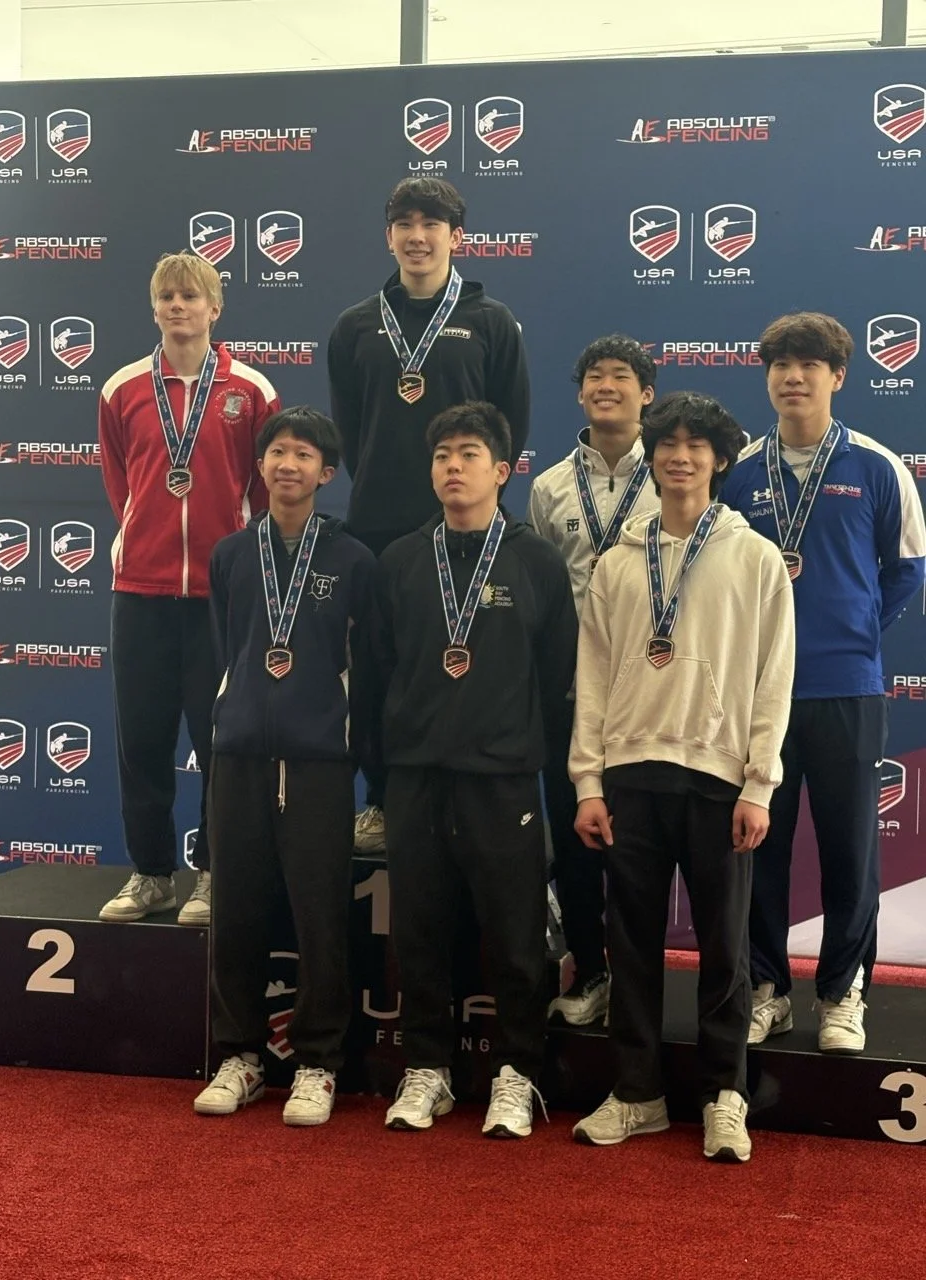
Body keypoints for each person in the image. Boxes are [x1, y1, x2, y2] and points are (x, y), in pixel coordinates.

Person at [570, 391, 795, 1163]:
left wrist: (759, 784)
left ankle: (723, 1094)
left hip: (719, 777)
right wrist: (588, 782)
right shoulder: (618, 560)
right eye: (667, 442)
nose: (680, 455)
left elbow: (775, 678)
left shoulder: (755, 557)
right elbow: (593, 677)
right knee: (628, 945)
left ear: (720, 460)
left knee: (725, 949)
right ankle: (637, 1094)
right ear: (652, 455)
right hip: (630, 773)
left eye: (697, 445)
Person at [719, 312, 926, 1055]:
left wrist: (860, 627)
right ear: (767, 376)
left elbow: (907, 568)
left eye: (810, 364)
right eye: (780, 364)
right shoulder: (740, 470)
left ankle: (842, 992)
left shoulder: (876, 465)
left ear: (839, 376)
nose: (793, 376)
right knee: (758, 848)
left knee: (849, 849)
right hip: (756, 694)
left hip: (847, 687)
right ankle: (767, 988)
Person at [374, 401, 575, 1139]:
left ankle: (517, 1074)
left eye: (468, 454)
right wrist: (385, 768)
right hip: (417, 776)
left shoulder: (537, 562)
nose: (452, 467)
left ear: (502, 470)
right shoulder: (399, 561)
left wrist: (522, 757)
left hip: (503, 780)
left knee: (516, 939)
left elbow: (556, 679)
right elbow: (376, 675)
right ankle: (427, 1070)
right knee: (420, 931)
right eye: (441, 456)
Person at [328, 176, 530, 854]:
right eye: (405, 223)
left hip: (468, 529)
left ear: (456, 237)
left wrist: (469, 497)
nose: (418, 235)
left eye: (432, 223)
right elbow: (352, 433)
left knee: (472, 661)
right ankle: (383, 800)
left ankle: (471, 796)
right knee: (384, 667)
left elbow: (509, 427)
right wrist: (386, 488)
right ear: (389, 236)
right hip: (383, 529)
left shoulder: (493, 322)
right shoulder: (355, 325)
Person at [192, 407, 375, 1125]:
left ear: (326, 473)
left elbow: (367, 664)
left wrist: (341, 736)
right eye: (277, 452)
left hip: (318, 761)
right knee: (234, 911)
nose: (288, 464)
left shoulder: (353, 560)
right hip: (238, 755)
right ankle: (237, 1055)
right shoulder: (232, 555)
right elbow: (224, 651)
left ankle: (318, 1061)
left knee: (320, 916)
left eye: (304, 455)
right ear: (259, 466)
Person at [98, 251, 280, 926]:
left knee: (218, 744)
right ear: (154, 307)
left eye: (190, 296)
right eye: (167, 296)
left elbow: (262, 492)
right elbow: (122, 485)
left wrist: (234, 560)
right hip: (139, 592)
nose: (178, 307)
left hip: (216, 598)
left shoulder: (251, 391)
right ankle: (150, 874)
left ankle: (210, 876)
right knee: (141, 740)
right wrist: (143, 538)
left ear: (215, 308)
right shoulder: (122, 389)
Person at [528, 334, 659, 1027]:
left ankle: (640, 977)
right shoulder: (549, 487)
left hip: (648, 693)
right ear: (580, 393)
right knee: (575, 840)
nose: (607, 385)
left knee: (639, 846)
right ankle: (592, 971)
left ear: (647, 394)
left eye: (623, 376)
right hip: (569, 695)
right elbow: (542, 595)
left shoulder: (672, 478)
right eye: (595, 376)